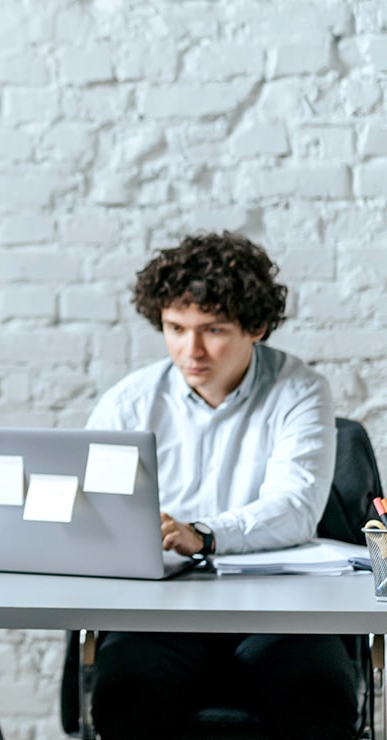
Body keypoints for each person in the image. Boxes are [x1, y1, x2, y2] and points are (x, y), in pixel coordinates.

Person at [85, 232, 356, 738]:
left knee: (318, 695)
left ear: (255, 327)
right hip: (160, 617)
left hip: (278, 615)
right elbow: (96, 514)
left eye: (213, 330)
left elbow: (295, 506)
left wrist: (204, 534)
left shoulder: (299, 391)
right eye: (175, 328)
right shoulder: (128, 402)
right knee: (127, 695)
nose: (191, 350)